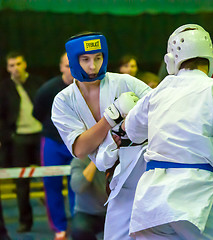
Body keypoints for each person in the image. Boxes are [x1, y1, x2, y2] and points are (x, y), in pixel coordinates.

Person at [123, 24, 213, 240]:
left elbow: (130, 130)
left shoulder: (157, 93)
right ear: (212, 58)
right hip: (197, 197)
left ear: (170, 60)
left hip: (150, 204)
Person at [51, 32, 151, 240]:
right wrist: (110, 118)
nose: (92, 66)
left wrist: (132, 127)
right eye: (85, 59)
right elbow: (79, 149)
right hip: (111, 181)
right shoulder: (63, 101)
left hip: (145, 172)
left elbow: (161, 109)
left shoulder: (125, 83)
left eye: (98, 58)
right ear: (73, 60)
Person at [32, 53, 75, 240]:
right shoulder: (48, 89)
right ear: (60, 67)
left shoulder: (86, 87)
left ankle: (78, 224)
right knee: (51, 186)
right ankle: (59, 228)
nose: (71, 70)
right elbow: (38, 113)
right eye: (67, 66)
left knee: (79, 186)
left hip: (77, 142)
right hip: (52, 142)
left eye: (74, 65)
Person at [0, 51, 43, 233]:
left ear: (24, 64)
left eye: (18, 64)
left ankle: (59, 222)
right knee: (21, 185)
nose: (15, 68)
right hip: (18, 139)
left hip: (41, 136)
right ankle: (25, 221)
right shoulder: (4, 88)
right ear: (7, 68)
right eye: (11, 65)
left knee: (53, 179)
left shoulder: (38, 83)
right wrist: (7, 137)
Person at [70, 157, 107, 240]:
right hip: (87, 213)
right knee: (79, 231)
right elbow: (78, 187)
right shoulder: (80, 159)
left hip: (113, 211)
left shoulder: (116, 157)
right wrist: (95, 160)